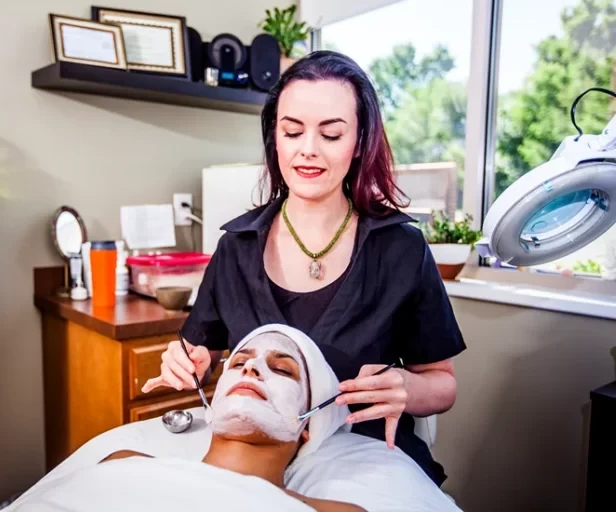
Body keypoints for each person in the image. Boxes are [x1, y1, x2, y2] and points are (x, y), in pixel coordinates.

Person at [142, 50, 467, 487]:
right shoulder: (235, 248)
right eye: (292, 131)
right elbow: (202, 351)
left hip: (364, 465)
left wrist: (407, 388)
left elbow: (442, 384)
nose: (308, 150)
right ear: (275, 138)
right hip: (251, 466)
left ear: (358, 144)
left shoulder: (400, 250)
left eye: (331, 135)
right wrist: (189, 362)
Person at [5, 325, 365, 512]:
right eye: (238, 363)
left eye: (282, 370)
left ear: (307, 428)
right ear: (212, 402)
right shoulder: (125, 461)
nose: (251, 368)